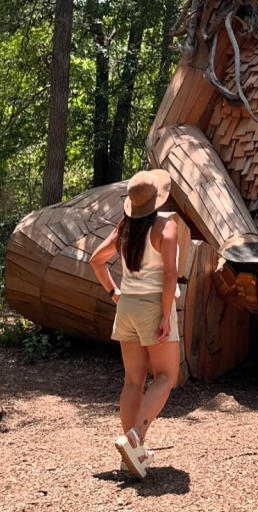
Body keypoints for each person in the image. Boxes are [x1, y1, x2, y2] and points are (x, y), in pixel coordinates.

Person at [89, 168, 180, 479]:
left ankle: (133, 455)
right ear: (157, 200)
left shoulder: (124, 228)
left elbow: (95, 260)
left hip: (126, 306)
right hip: (154, 306)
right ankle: (134, 438)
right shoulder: (166, 226)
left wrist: (115, 292)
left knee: (132, 381)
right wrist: (166, 315)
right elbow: (169, 275)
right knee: (166, 376)